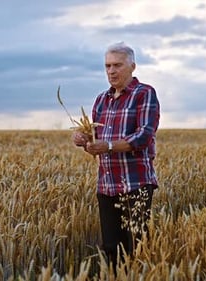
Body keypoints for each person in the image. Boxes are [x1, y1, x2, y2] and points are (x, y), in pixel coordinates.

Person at [72, 42, 160, 269]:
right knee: (111, 251)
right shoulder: (101, 100)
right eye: (107, 66)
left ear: (132, 66)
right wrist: (84, 141)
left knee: (137, 250)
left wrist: (108, 146)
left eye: (117, 65)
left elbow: (143, 137)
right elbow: (95, 141)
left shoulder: (145, 94)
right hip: (107, 186)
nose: (111, 71)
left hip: (136, 184)